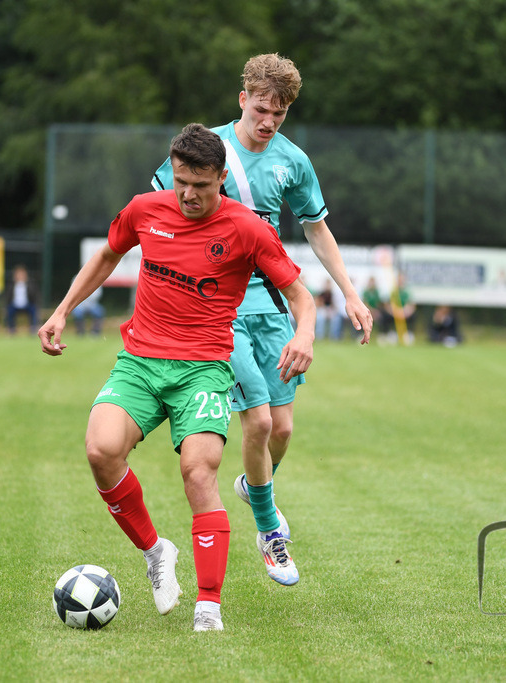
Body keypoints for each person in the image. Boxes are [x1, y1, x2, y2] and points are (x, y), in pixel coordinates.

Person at [39, 123, 315, 631]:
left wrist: (304, 334)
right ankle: (155, 552)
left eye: (201, 185)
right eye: (181, 181)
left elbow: (300, 294)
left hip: (204, 369)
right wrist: (62, 311)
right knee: (101, 451)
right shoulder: (145, 209)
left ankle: (208, 607)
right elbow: (107, 255)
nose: (188, 194)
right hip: (140, 362)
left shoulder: (248, 229)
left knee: (198, 473)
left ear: (221, 179)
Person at [151, 54, 372, 586]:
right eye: (262, 109)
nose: (269, 121)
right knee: (260, 422)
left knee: (283, 428)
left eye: (280, 113)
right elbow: (163, 206)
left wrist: (350, 292)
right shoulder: (206, 151)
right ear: (243, 98)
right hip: (219, 309)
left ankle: (255, 487)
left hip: (273, 306)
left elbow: (316, 228)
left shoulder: (293, 161)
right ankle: (270, 532)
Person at [5, 264, 38, 335]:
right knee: (9, 309)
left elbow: (34, 295)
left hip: (27, 305)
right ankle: (11, 329)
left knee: (34, 309)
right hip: (15, 305)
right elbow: (8, 296)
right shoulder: (12, 284)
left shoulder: (30, 284)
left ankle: (33, 328)